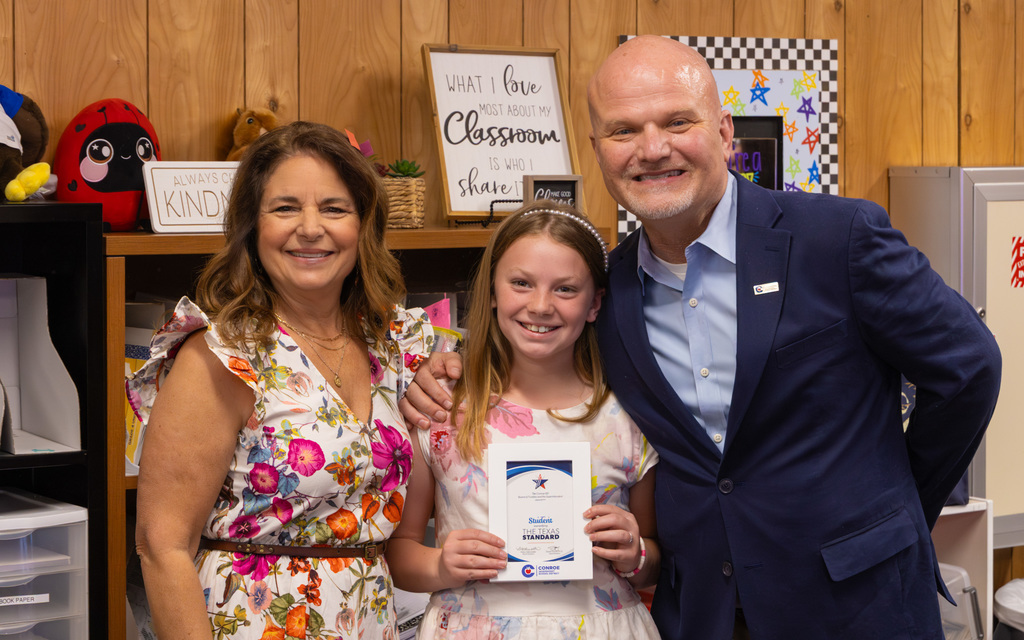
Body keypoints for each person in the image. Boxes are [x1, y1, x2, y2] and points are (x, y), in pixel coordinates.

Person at [400, 35, 1002, 639]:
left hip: (855, 605)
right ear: (598, 150)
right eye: (623, 130)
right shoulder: (609, 292)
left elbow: (970, 367)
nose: (652, 149)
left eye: (677, 121)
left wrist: (899, 510)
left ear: (723, 130)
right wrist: (449, 365)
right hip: (702, 614)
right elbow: (537, 350)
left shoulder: (837, 238)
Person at [128, 121, 433, 639]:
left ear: (363, 226)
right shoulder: (221, 357)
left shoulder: (394, 344)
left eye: (334, 209)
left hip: (373, 621)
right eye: (285, 207)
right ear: (252, 226)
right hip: (255, 621)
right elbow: (162, 547)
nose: (310, 228)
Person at [386, 202, 661, 639]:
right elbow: (398, 553)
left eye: (566, 289)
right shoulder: (440, 412)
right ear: (493, 291)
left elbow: (653, 564)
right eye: (520, 283)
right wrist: (439, 565)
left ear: (595, 304)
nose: (540, 305)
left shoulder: (628, 416)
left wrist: (635, 554)